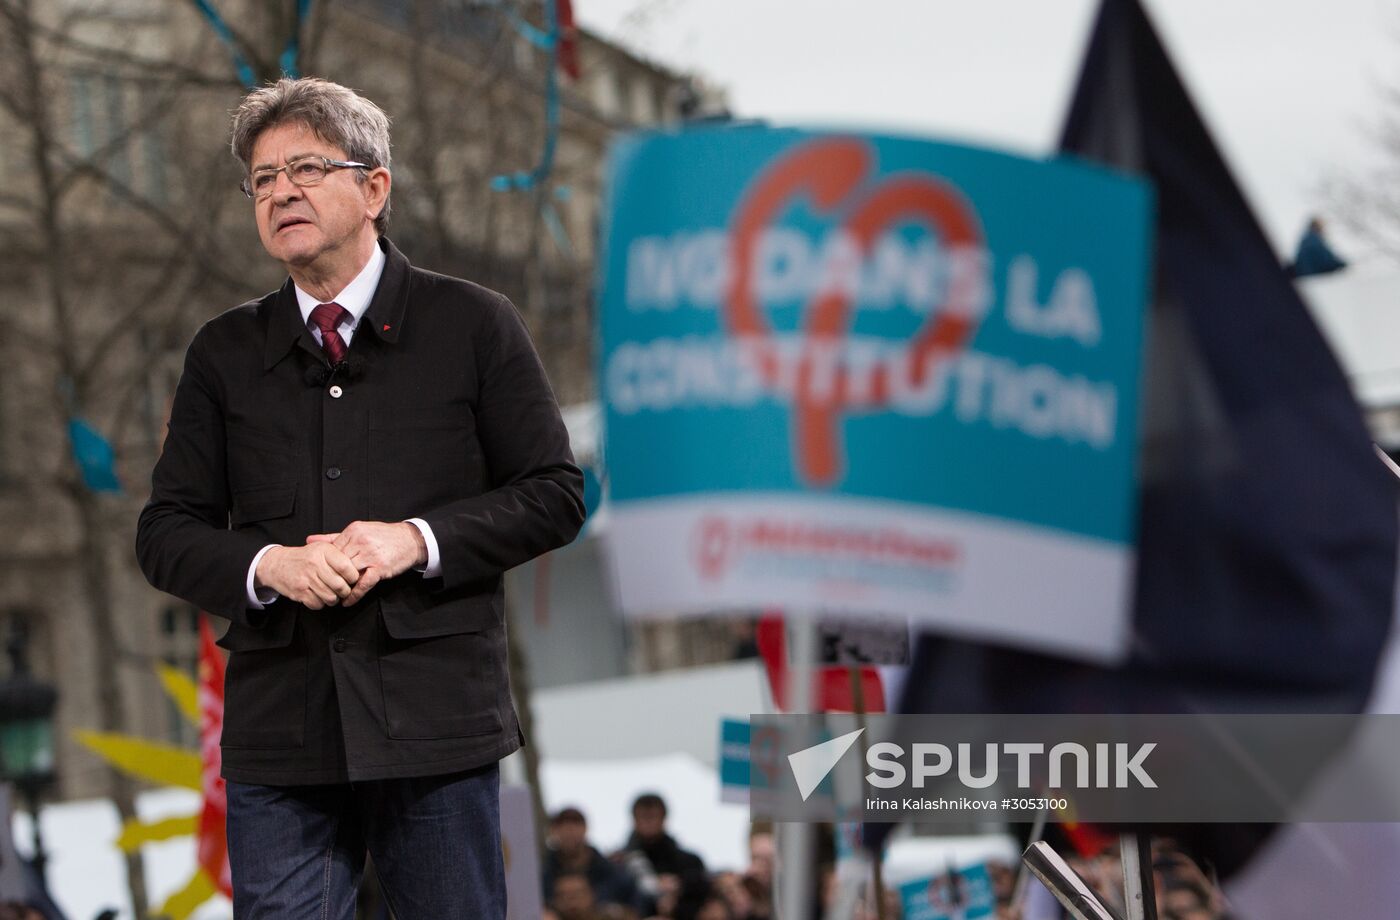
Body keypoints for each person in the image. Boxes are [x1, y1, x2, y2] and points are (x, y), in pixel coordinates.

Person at [135, 76, 584, 918]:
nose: (281, 193)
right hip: (281, 733)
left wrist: (414, 541)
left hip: (436, 721)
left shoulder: (475, 324)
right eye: (262, 180)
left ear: (375, 186)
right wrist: (271, 564)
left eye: (304, 169)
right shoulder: (222, 353)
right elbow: (165, 533)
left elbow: (556, 493)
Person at [618, 793, 710, 917]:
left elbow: (703, 888)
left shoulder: (689, 862)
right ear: (634, 819)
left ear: (664, 818)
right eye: (644, 817)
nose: (649, 823)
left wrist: (679, 887)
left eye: (653, 816)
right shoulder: (620, 862)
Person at [543, 807, 644, 913]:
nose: (569, 832)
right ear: (553, 831)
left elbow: (635, 907)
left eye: (575, 825)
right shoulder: (542, 876)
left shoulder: (613, 874)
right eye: (563, 827)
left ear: (585, 828)